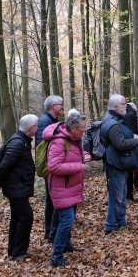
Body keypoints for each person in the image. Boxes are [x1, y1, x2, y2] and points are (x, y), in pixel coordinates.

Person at [44, 109, 90, 267]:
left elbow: (71, 157)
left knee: (66, 220)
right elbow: (53, 167)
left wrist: (84, 157)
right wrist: (79, 166)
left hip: (71, 188)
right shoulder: (59, 142)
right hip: (61, 189)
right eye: (82, 128)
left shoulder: (74, 139)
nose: (84, 131)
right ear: (74, 128)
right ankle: (56, 257)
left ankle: (66, 245)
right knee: (67, 221)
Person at [0, 114, 38, 261]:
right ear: (32, 127)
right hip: (15, 188)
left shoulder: (22, 140)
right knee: (26, 217)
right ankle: (18, 251)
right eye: (37, 126)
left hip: (17, 186)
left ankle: (14, 250)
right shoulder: (18, 143)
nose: (38, 129)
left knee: (17, 217)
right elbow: (4, 166)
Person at [101, 95, 138, 234]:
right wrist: (135, 140)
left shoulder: (116, 119)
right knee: (116, 196)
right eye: (124, 104)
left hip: (120, 163)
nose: (126, 106)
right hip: (116, 164)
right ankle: (111, 225)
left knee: (122, 193)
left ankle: (120, 220)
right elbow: (121, 144)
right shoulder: (112, 123)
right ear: (115, 107)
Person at [36, 95, 64, 241]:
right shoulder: (45, 122)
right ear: (53, 106)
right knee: (52, 200)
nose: (62, 106)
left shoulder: (52, 121)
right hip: (50, 167)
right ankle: (51, 231)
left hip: (52, 166)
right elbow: (43, 148)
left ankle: (52, 230)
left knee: (52, 199)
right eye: (60, 104)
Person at [123, 102, 138, 201]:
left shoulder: (127, 114)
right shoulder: (132, 114)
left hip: (129, 144)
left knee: (131, 169)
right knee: (135, 167)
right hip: (133, 144)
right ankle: (134, 188)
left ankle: (131, 191)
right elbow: (134, 131)